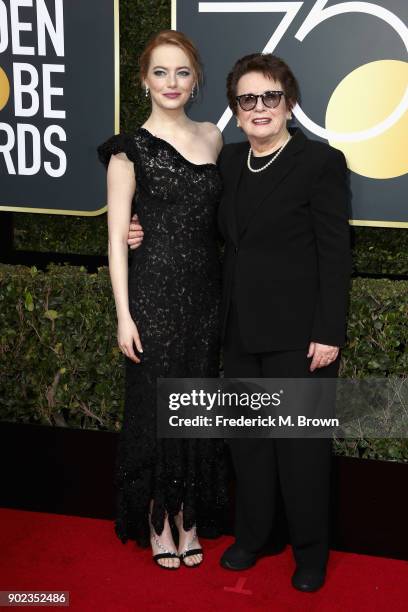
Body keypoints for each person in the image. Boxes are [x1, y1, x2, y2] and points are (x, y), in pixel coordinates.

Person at [128, 52, 351, 591]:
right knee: (250, 447)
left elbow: (336, 253)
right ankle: (255, 537)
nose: (259, 108)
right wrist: (143, 231)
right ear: (235, 108)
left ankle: (311, 552)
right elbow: (193, 222)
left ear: (288, 102)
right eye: (247, 99)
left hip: (300, 335)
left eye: (269, 97)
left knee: (300, 449)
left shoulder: (319, 163)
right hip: (240, 329)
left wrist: (329, 331)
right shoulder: (229, 163)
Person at [96, 30, 228, 570]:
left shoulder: (214, 139)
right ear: (144, 79)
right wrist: (124, 315)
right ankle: (158, 518)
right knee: (155, 408)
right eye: (160, 72)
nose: (171, 82)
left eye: (182, 73)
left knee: (196, 403)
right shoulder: (127, 150)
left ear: (195, 82)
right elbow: (114, 239)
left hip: (206, 296)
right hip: (152, 295)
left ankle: (189, 514)